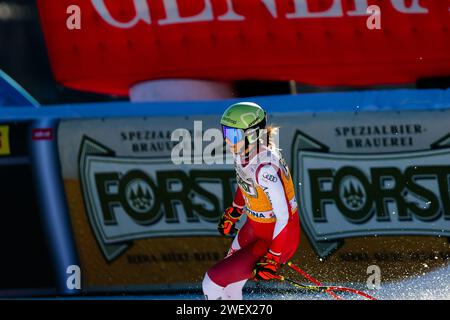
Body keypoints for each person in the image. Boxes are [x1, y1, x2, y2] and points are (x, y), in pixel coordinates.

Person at [202, 102, 300, 300]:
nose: (228, 140)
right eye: (225, 132)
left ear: (252, 134)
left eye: (233, 134)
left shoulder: (265, 169)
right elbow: (245, 181)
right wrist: (235, 210)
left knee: (212, 283)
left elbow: (284, 217)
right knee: (228, 288)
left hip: (276, 238)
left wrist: (272, 256)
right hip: (254, 228)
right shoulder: (244, 152)